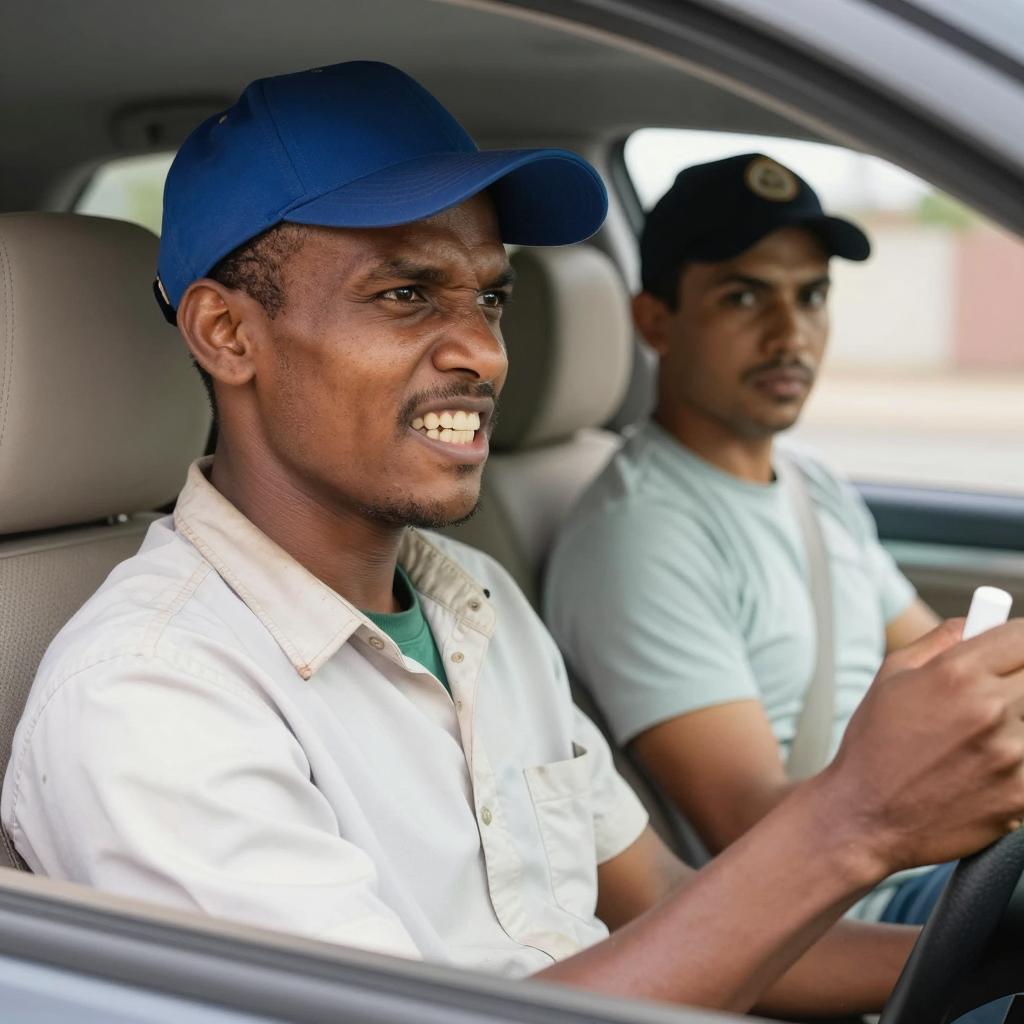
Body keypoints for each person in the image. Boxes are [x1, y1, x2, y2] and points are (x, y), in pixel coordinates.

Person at [4, 64, 1024, 1021]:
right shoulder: (152, 694)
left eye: (489, 296)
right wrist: (853, 821)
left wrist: (985, 954)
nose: (485, 352)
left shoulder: (473, 598)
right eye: (405, 294)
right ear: (227, 335)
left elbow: (667, 904)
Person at [544, 153, 978, 926]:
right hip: (863, 913)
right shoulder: (638, 537)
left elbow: (946, 658)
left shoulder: (815, 487)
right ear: (656, 321)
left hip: (938, 863)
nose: (790, 334)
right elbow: (749, 825)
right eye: (743, 297)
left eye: (811, 296)